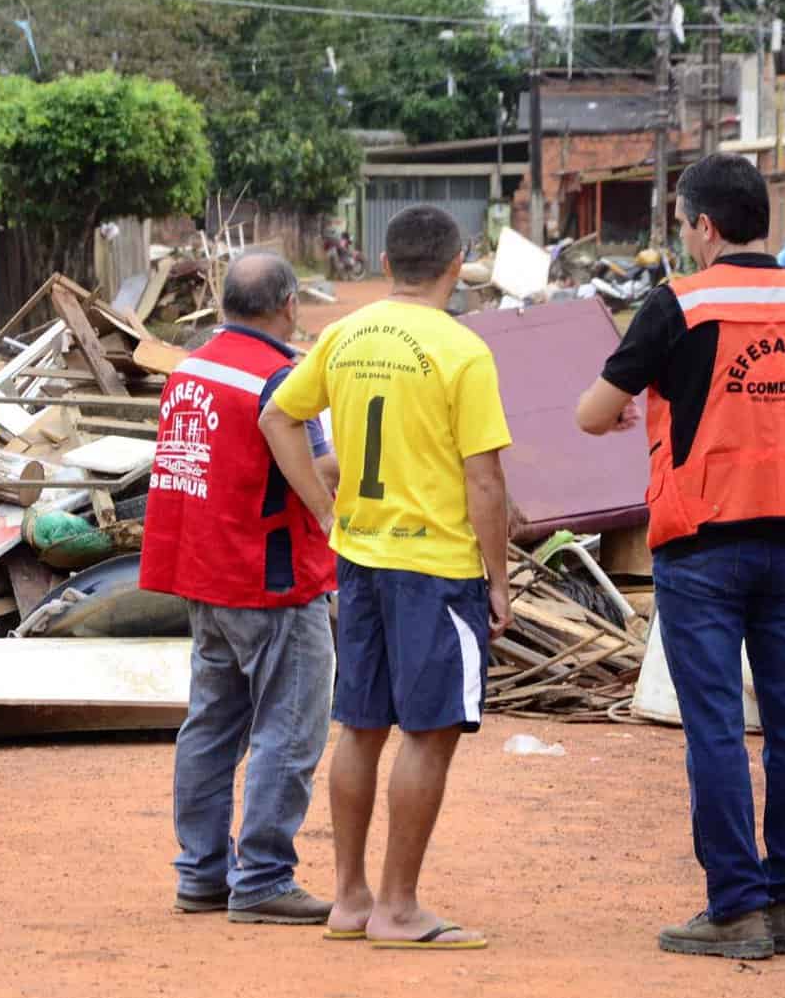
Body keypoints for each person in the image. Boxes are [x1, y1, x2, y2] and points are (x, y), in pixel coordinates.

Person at [574, 153, 785, 960]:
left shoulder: (676, 302)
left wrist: (638, 406)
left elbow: (589, 414)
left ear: (702, 226)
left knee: (714, 728)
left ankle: (735, 907)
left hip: (702, 544)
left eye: (681, 224)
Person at [261, 205, 512, 951]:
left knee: (361, 727)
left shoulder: (344, 332)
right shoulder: (461, 350)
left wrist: (323, 508)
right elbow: (486, 482)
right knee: (430, 733)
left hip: (361, 558)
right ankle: (399, 910)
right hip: (435, 566)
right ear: (457, 261)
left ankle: (349, 898)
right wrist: (497, 579)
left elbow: (278, 416)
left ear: (382, 261)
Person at [140, 253, 342, 925]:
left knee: (211, 726)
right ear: (287, 305)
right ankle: (261, 879)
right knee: (290, 728)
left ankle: (202, 873)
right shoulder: (278, 380)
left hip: (202, 568)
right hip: (268, 571)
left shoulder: (191, 367)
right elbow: (314, 467)